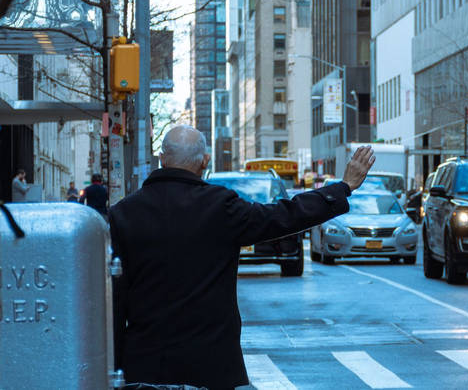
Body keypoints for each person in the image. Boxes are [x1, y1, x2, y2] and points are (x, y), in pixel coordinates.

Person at [109, 125, 375, 388]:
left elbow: (114, 302)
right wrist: (343, 187)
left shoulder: (123, 214)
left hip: (144, 365)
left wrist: (113, 368)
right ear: (205, 162)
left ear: (162, 159)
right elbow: (284, 215)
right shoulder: (219, 206)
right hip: (211, 365)